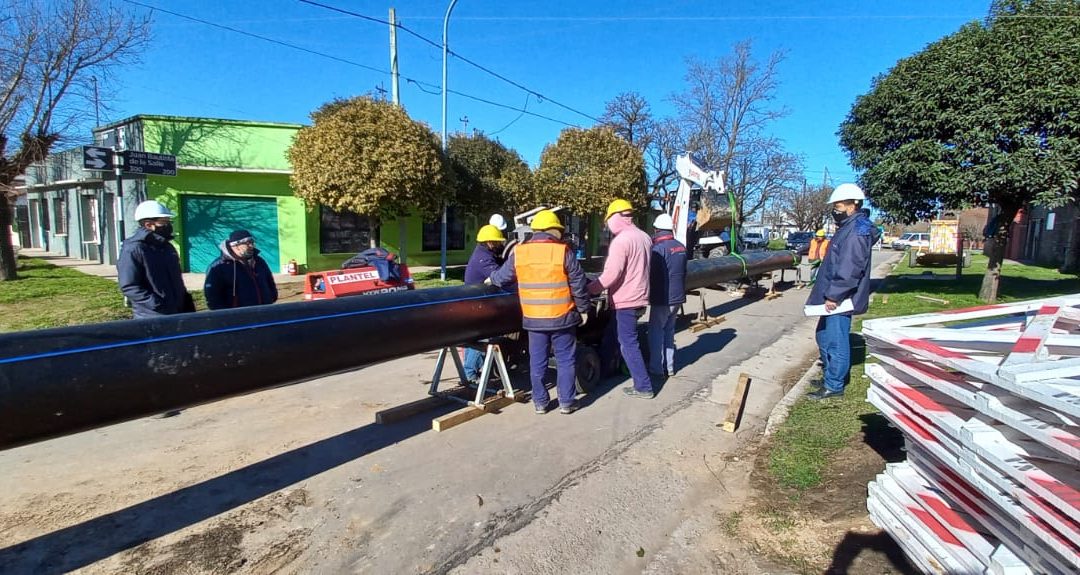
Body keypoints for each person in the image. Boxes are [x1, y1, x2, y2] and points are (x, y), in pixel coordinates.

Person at [489, 210, 590, 414]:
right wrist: (584, 308)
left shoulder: (520, 251)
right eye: (560, 230)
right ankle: (567, 402)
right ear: (552, 230)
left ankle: (541, 403)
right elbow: (578, 283)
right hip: (562, 317)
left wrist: (490, 278)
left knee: (537, 361)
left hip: (534, 319)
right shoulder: (563, 251)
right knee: (565, 360)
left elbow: (501, 277)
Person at [805, 183, 881, 400]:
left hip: (840, 298)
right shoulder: (848, 227)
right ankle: (829, 376)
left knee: (835, 340)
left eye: (838, 205)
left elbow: (850, 267)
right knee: (823, 336)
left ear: (852, 205)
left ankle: (834, 385)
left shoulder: (857, 231)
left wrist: (834, 295)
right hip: (832, 294)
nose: (835, 210)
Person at [588, 199, 655, 399]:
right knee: (611, 335)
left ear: (616, 218)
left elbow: (610, 275)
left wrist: (589, 289)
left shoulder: (622, 241)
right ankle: (606, 371)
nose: (608, 225)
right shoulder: (644, 237)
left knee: (628, 343)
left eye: (608, 220)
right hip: (639, 296)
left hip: (627, 300)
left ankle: (643, 386)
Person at [117, 200, 191, 319]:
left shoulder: (167, 247)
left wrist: (185, 300)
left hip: (178, 311)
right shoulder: (134, 249)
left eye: (168, 221)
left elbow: (176, 279)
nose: (168, 225)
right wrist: (156, 304)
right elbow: (129, 286)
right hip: (152, 315)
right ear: (148, 224)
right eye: (163, 222)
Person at [462, 224, 506, 382]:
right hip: (478, 305)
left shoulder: (483, 254)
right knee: (483, 336)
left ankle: (469, 371)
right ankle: (470, 374)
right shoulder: (484, 259)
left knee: (475, 337)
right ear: (490, 242)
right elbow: (500, 277)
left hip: (477, 302)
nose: (500, 245)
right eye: (497, 242)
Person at [647, 213, 688, 377]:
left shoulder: (658, 249)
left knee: (656, 332)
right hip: (678, 297)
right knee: (669, 331)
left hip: (663, 298)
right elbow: (684, 271)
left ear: (656, 229)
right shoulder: (681, 247)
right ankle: (669, 367)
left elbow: (652, 275)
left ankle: (656, 368)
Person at [203, 230, 278, 310]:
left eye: (252, 242)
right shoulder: (219, 267)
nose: (251, 246)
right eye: (247, 243)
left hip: (264, 312)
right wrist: (225, 315)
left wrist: (271, 297)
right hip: (236, 317)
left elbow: (270, 281)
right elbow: (213, 296)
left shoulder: (259, 261)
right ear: (235, 246)